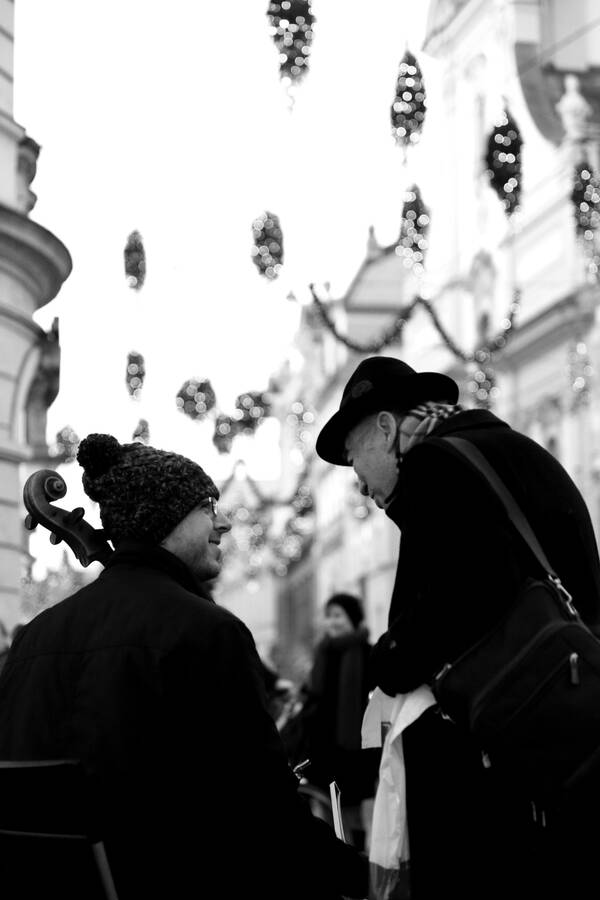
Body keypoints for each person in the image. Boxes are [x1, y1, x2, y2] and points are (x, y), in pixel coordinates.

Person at [0, 433, 367, 900]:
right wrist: (363, 874)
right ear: (165, 518)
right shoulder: (205, 632)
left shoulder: (34, 637)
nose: (224, 525)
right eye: (208, 507)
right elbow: (264, 813)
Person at [315, 355, 600, 898]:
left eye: (355, 461)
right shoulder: (512, 451)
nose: (360, 486)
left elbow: (448, 610)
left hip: (501, 760)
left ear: (384, 428)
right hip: (570, 722)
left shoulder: (436, 466)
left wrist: (386, 659)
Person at [295, 593, 380, 851]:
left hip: (358, 750)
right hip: (324, 749)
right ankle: (340, 864)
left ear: (353, 618)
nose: (332, 622)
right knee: (329, 812)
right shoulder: (322, 653)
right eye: (329, 616)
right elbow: (314, 698)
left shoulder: (369, 653)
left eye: (338, 616)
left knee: (357, 813)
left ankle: (361, 864)